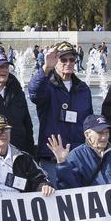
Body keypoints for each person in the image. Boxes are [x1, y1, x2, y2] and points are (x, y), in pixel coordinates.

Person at [28, 41, 93, 182]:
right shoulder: (47, 85)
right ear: (56, 61)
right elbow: (34, 92)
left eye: (72, 60)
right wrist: (45, 68)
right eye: (63, 59)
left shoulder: (83, 89)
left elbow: (90, 122)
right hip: (52, 157)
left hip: (78, 157)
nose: (68, 63)